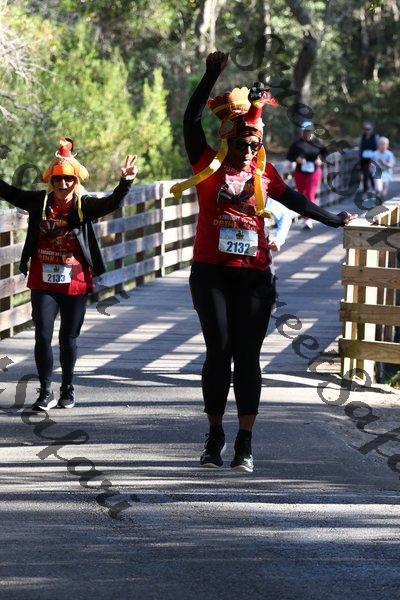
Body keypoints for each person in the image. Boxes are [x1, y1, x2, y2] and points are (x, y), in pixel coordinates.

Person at [171, 51, 357, 473]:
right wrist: (210, 76)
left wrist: (333, 219)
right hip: (211, 273)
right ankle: (214, 435)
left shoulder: (264, 173)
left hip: (254, 275)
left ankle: (245, 442)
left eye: (253, 145)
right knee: (218, 350)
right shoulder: (207, 165)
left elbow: (295, 200)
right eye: (240, 144)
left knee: (247, 355)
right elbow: (190, 121)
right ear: (227, 141)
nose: (247, 150)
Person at [0, 137, 138, 411]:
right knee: (42, 336)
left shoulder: (82, 205)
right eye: (57, 179)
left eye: (68, 179)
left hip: (74, 282)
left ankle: (67, 388)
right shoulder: (39, 202)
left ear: (76, 181)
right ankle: (45, 392)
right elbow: (10, 193)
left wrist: (126, 181)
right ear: (50, 180)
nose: (63, 184)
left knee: (68, 339)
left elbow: (111, 203)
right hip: (43, 281)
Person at [286, 121, 328, 230]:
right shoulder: (297, 144)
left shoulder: (318, 143)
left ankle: (307, 219)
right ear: (302, 132)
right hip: (300, 172)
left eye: (310, 132)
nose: (308, 134)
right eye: (306, 132)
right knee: (301, 194)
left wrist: (320, 159)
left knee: (310, 194)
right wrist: (297, 159)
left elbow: (326, 153)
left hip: (314, 171)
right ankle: (305, 216)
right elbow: (289, 156)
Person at [359, 121, 378, 194]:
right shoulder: (362, 137)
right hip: (364, 159)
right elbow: (360, 148)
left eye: (368, 129)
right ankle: (365, 190)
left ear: (372, 129)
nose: (367, 131)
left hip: (372, 158)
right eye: (365, 129)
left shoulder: (375, 137)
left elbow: (376, 148)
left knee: (371, 174)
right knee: (365, 174)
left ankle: (374, 189)